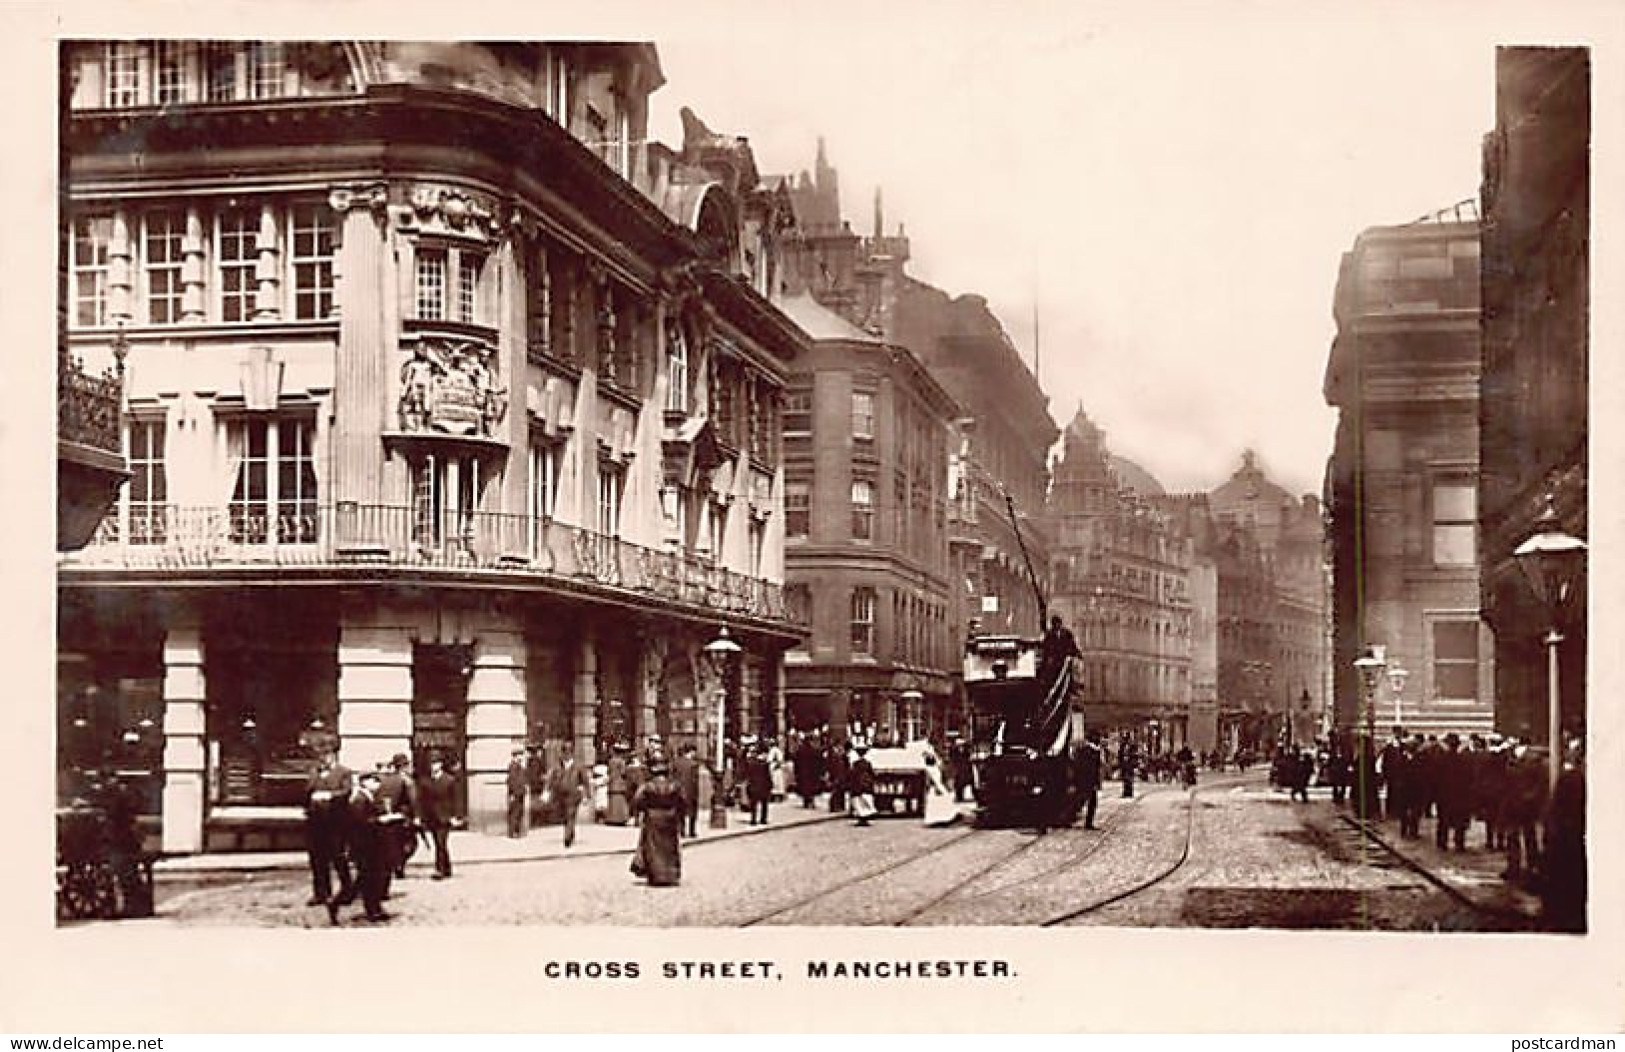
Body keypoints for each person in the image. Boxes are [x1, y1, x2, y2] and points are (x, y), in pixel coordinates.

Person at [330, 770, 393, 925]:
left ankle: (374, 909)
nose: (378, 784)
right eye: (374, 781)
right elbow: (360, 823)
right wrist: (381, 820)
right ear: (365, 782)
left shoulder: (367, 797)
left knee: (370, 879)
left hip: (370, 845)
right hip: (363, 846)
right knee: (366, 879)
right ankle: (337, 903)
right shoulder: (359, 799)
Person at [303, 747, 355, 909]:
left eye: (327, 755)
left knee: (338, 858)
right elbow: (307, 790)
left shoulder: (344, 772)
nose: (324, 759)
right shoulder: (314, 771)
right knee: (317, 860)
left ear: (334, 756)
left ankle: (347, 891)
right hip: (316, 822)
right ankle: (321, 893)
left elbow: (347, 791)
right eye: (322, 756)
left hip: (335, 822)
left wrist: (330, 795)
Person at [630, 762, 687, 887]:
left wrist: (645, 809)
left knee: (653, 847)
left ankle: (656, 875)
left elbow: (637, 800)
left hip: (653, 818)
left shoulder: (647, 786)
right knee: (670, 847)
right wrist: (678, 815)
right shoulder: (674, 786)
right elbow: (683, 801)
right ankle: (670, 874)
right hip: (670, 818)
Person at [376, 753, 418, 891]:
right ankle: (398, 864)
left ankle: (397, 864)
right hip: (402, 817)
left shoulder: (383, 779)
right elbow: (413, 799)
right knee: (409, 843)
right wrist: (415, 816)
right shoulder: (405, 780)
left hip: (389, 817)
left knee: (395, 844)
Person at [417, 753, 457, 880]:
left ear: (441, 764)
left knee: (441, 843)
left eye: (436, 763)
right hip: (432, 817)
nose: (434, 766)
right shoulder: (425, 781)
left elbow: (456, 800)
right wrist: (421, 816)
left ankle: (439, 869)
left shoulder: (449, 780)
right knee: (438, 844)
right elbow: (422, 801)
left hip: (445, 817)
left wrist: (454, 816)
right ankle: (447, 867)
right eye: (432, 764)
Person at [547, 743, 595, 849]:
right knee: (565, 817)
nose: (566, 756)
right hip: (560, 796)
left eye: (568, 753)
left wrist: (587, 795)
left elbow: (585, 781)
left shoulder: (578, 766)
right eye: (564, 752)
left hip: (574, 795)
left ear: (572, 753)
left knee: (570, 814)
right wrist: (547, 791)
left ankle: (567, 838)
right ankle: (571, 832)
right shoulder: (558, 765)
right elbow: (551, 779)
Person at [1038, 614, 1082, 688]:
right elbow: (1045, 648)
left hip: (1064, 660)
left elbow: (1072, 645)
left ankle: (1069, 685)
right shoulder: (1049, 635)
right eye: (1054, 625)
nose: (1056, 626)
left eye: (1057, 624)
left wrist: (1077, 653)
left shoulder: (1067, 634)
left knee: (1066, 674)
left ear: (1060, 624)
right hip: (1053, 661)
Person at [921, 751, 958, 827]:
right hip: (937, 787)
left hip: (936, 787)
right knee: (939, 799)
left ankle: (938, 818)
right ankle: (940, 818)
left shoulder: (932, 769)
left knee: (936, 800)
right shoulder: (933, 769)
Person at [672, 744, 701, 837]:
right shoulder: (694, 764)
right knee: (692, 812)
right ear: (692, 752)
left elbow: (673, 777)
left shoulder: (676, 763)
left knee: (680, 811)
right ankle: (691, 831)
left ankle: (682, 831)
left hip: (679, 790)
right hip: (691, 790)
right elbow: (695, 780)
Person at [1078, 730, 1104, 829]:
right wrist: (1096, 782)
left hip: (1084, 779)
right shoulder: (1093, 751)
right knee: (1092, 801)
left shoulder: (1083, 749)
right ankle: (1088, 822)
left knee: (1083, 799)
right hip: (1089, 779)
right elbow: (1094, 768)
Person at [848, 741, 877, 827]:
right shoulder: (867, 763)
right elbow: (871, 774)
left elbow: (852, 775)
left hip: (858, 786)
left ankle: (862, 818)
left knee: (860, 802)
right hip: (864, 785)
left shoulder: (856, 764)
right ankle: (864, 818)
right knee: (863, 802)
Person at [745, 742, 772, 826]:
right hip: (763, 786)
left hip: (754, 786)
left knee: (754, 804)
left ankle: (753, 820)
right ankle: (763, 819)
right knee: (764, 804)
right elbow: (768, 776)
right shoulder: (765, 765)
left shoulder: (751, 765)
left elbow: (748, 775)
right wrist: (770, 785)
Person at [794, 733, 823, 809]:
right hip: (812, 773)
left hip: (803, 773)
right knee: (811, 788)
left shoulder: (800, 750)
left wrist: (796, 772)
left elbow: (796, 762)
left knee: (805, 788)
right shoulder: (814, 750)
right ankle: (811, 801)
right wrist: (819, 772)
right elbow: (819, 762)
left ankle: (806, 802)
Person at [505, 747, 529, 838]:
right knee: (514, 813)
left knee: (519, 812)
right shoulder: (513, 766)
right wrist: (512, 793)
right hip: (515, 793)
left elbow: (523, 779)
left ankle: (516, 831)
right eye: (520, 755)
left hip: (520, 793)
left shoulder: (520, 766)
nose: (521, 757)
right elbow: (512, 781)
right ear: (515, 756)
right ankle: (512, 832)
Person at [605, 744, 631, 826]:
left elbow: (608, 771)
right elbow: (623, 773)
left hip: (612, 783)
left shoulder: (611, 761)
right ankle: (620, 819)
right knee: (620, 801)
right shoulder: (621, 761)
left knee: (613, 802)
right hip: (619, 783)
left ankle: (611, 818)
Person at [825, 737, 850, 814]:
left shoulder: (841, 752)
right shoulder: (831, 752)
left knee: (840, 790)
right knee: (836, 790)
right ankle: (834, 806)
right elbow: (829, 764)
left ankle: (840, 806)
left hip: (841, 773)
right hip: (835, 773)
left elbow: (846, 763)